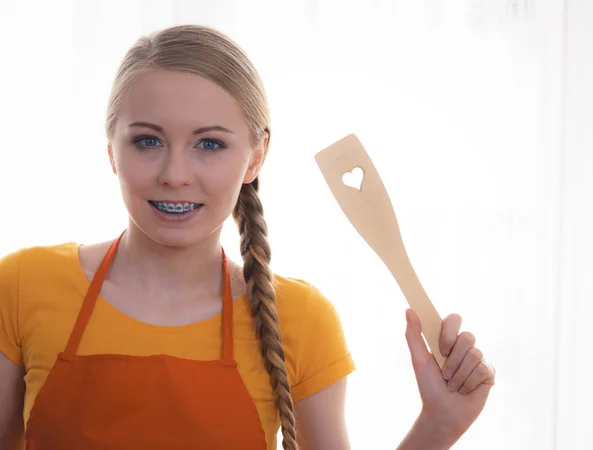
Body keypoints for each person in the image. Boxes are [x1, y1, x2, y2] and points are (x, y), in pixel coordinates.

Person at [0, 24, 495, 450]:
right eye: (148, 140)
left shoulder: (298, 319)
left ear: (255, 158)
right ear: (111, 150)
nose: (175, 174)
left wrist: (438, 425)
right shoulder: (23, 285)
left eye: (209, 144)